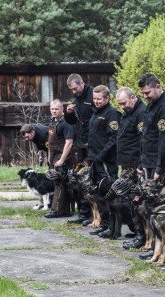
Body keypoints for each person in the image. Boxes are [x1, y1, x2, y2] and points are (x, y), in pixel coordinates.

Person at [126, 72, 165, 251]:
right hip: (148, 162)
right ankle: (154, 247)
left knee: (162, 210)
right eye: (143, 93)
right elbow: (146, 137)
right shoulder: (151, 105)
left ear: (158, 87)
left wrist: (159, 168)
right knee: (150, 209)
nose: (145, 96)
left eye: (148, 92)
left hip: (160, 165)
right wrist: (142, 163)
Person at [111, 87, 146, 240]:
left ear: (133, 97)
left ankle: (141, 233)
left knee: (135, 198)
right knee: (124, 198)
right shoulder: (127, 112)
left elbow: (144, 141)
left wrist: (140, 164)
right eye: (120, 104)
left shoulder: (141, 112)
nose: (122, 106)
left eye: (124, 103)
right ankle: (132, 229)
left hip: (134, 165)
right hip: (126, 164)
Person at [86, 85, 121, 235]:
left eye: (99, 99)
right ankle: (104, 223)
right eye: (94, 99)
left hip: (106, 161)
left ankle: (112, 227)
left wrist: (101, 156)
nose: (96, 101)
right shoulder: (95, 113)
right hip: (95, 159)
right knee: (99, 194)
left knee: (109, 194)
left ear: (107, 98)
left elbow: (113, 139)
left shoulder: (112, 113)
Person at [65, 74, 95, 224]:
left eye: (75, 89)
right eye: (71, 90)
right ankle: (83, 213)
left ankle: (97, 215)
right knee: (80, 180)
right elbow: (71, 122)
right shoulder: (75, 100)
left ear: (82, 83)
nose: (73, 92)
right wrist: (68, 112)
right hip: (80, 144)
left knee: (92, 179)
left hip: (93, 144)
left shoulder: (93, 95)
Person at [44, 99, 75, 218]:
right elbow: (50, 141)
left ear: (62, 109)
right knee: (59, 182)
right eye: (52, 109)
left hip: (63, 155)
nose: (54, 111)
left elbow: (69, 143)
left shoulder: (66, 122)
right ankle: (65, 210)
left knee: (60, 181)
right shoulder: (52, 121)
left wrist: (62, 160)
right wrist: (49, 156)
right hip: (53, 155)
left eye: (57, 109)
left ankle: (56, 210)